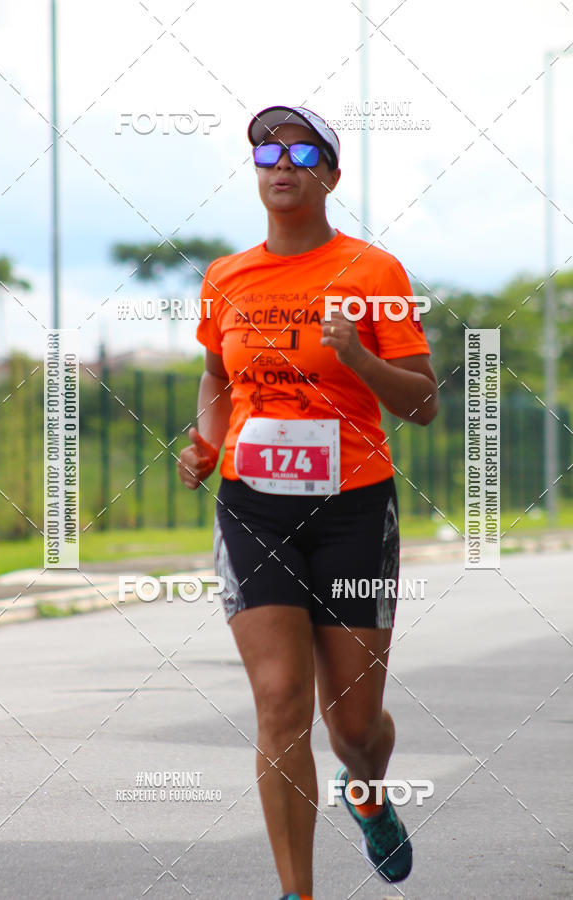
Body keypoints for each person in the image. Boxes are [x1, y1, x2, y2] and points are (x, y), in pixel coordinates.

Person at [178, 104, 438, 900]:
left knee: (352, 728)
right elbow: (217, 379)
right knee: (280, 702)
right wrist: (207, 444)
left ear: (329, 173)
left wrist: (357, 353)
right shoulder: (226, 277)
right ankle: (298, 893)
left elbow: (423, 403)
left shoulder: (374, 272)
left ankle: (366, 790)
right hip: (254, 506)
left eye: (299, 150)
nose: (279, 162)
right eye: (264, 151)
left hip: (355, 509)